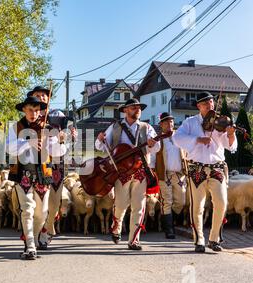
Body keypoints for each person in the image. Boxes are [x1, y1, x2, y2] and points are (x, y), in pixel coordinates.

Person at [173, 92, 237, 253]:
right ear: (199, 106)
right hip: (196, 168)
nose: (210, 105)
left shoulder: (220, 123)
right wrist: (197, 139)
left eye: (211, 102)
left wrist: (231, 134)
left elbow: (231, 147)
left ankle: (214, 239)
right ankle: (199, 239)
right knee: (197, 206)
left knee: (222, 203)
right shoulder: (190, 122)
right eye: (206, 103)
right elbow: (177, 139)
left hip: (217, 167)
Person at [95, 98, 160, 250]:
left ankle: (134, 240)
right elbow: (102, 146)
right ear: (125, 110)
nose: (137, 110)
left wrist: (153, 144)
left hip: (141, 171)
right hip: (121, 172)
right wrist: (100, 140)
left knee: (139, 206)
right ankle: (116, 227)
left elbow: (157, 147)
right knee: (121, 204)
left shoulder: (147, 127)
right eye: (133, 107)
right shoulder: (115, 127)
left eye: (139, 108)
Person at [7, 96, 66, 259]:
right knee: (27, 210)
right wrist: (28, 143)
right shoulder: (16, 127)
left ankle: (33, 237)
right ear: (24, 110)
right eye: (30, 110)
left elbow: (56, 154)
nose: (34, 113)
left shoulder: (48, 128)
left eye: (36, 110)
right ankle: (30, 245)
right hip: (23, 173)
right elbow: (9, 149)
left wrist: (61, 142)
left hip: (43, 175)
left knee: (42, 214)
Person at [155, 112, 187, 239]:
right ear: (161, 125)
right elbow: (153, 157)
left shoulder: (179, 137)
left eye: (171, 122)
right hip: (165, 174)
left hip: (179, 174)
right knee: (166, 202)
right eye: (167, 122)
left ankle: (171, 220)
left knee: (181, 201)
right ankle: (169, 229)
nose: (170, 124)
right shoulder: (158, 140)